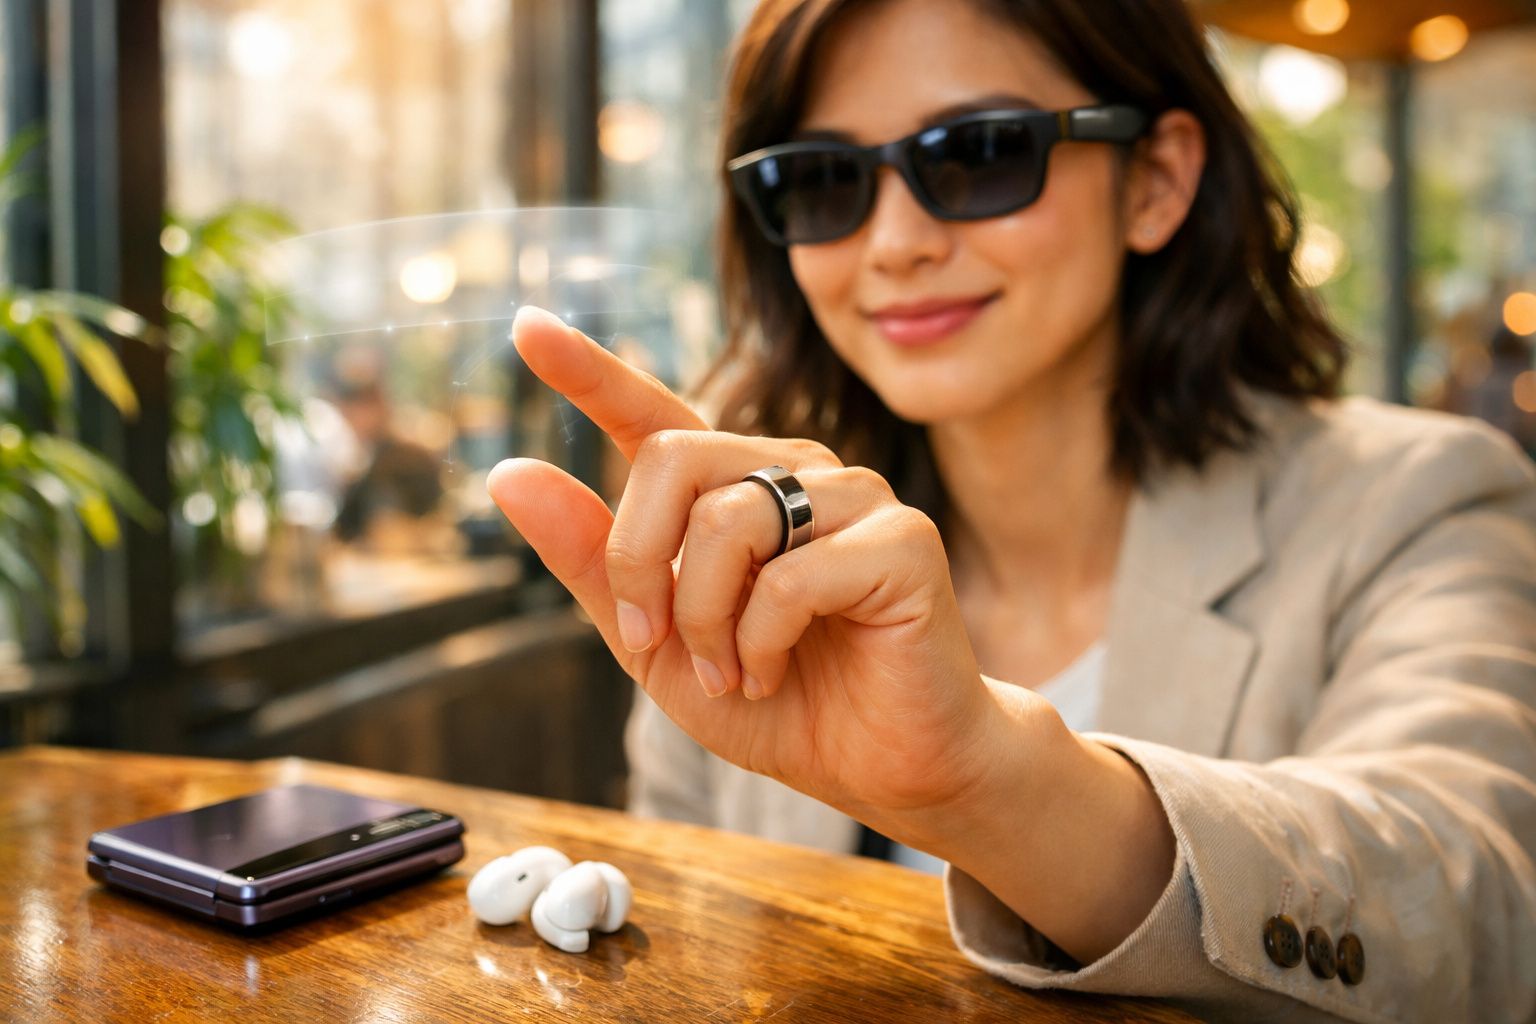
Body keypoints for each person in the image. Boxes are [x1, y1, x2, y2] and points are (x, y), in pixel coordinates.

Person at [486, 0, 1536, 1019]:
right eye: (823, 181)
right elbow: (688, 948)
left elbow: (1473, 912)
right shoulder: (749, 552)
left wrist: (993, 786)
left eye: (979, 152)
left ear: (1156, 180)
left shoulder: (1418, 499)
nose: (893, 242)